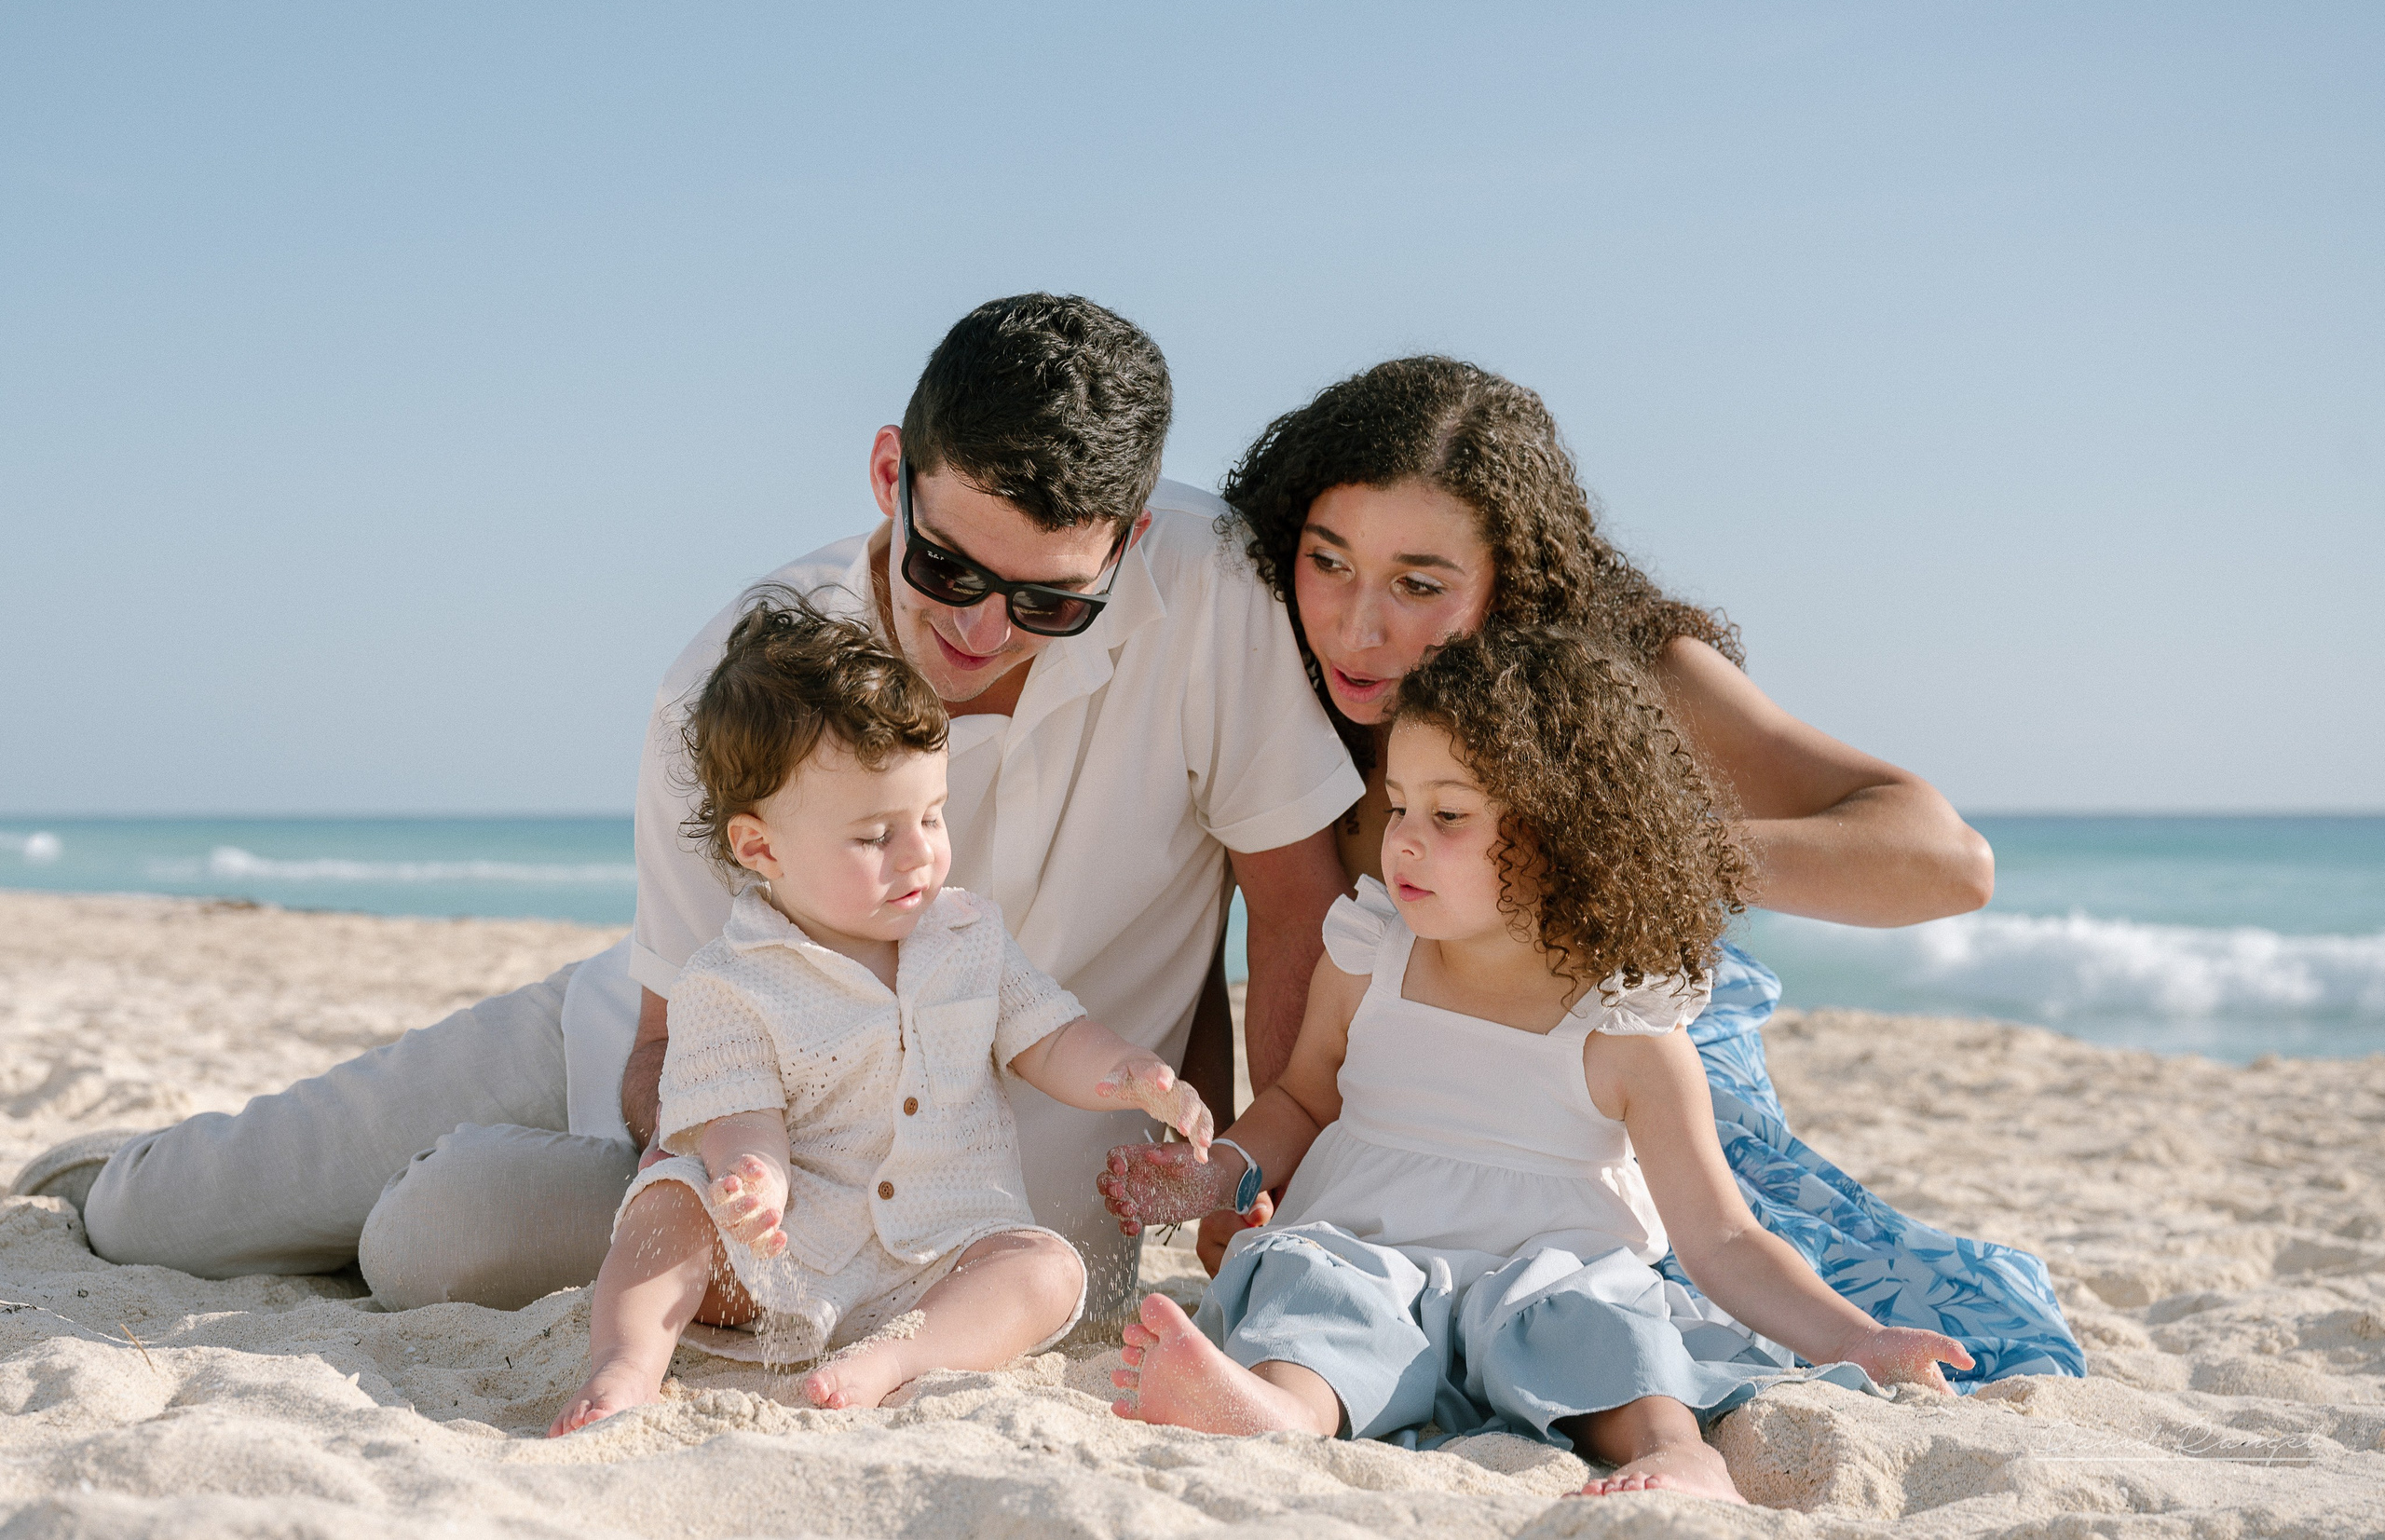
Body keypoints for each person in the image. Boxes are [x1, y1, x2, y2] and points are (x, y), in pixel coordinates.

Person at [52, 295, 1358, 1326]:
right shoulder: (731, 676)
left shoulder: (1212, 593)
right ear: (890, 471)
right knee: (161, 1217)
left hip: (968, 1217)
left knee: (439, 1234)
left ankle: (418, 1202)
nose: (980, 629)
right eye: (947, 567)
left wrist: (1250, 1184)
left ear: (1129, 540)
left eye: (1048, 600)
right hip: (696, 1078)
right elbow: (663, 1044)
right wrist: (743, 1166)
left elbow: (1295, 912)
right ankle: (114, 1169)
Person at [1209, 356, 2081, 1382]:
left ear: (1511, 581)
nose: (1359, 628)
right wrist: (1265, 1181)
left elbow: (1946, 863)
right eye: (1328, 562)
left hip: (1637, 1107)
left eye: (1419, 585)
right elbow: (1297, 954)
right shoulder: (1269, 685)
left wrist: (1624, 842)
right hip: (1413, 1136)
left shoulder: (1615, 692)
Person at [1097, 627, 1972, 1503]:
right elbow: (1299, 1099)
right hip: (1372, 1255)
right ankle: (1279, 1410)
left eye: (1448, 815)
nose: (1403, 841)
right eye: (1397, 806)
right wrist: (1219, 1170)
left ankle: (1676, 1452)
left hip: (1549, 1283)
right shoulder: (1367, 959)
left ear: (1565, 834)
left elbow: (1723, 1238)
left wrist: (1857, 1339)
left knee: (1607, 1327)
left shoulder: (1624, 1028)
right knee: (1317, 1289)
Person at [552, 603, 1215, 1434]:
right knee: (666, 1212)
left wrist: (1128, 1073)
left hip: (941, 1256)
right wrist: (754, 1178)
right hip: (782, 1260)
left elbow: (1052, 1038)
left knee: (1046, 1269)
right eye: (875, 836)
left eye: (931, 816)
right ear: (761, 848)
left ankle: (896, 1357)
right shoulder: (731, 979)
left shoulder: (970, 936)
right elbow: (740, 1112)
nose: (920, 853)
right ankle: (625, 1364)